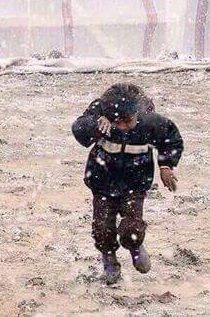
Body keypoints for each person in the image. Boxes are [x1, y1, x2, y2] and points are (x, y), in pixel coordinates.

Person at [71, 83, 183, 284]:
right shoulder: (100, 113)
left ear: (136, 114)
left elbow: (171, 139)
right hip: (103, 182)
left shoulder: (150, 121)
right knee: (102, 228)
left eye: (127, 121)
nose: (122, 127)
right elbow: (79, 129)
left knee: (132, 228)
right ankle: (109, 259)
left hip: (135, 183)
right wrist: (96, 125)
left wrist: (166, 165)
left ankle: (135, 247)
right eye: (117, 122)